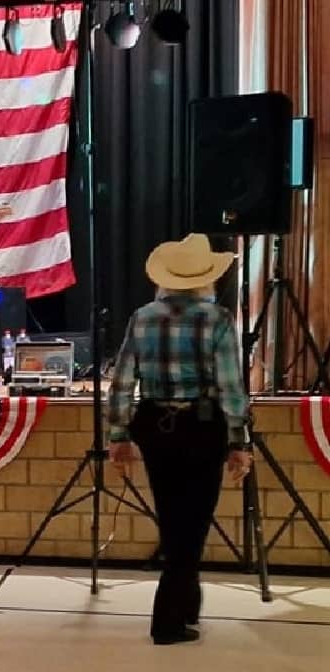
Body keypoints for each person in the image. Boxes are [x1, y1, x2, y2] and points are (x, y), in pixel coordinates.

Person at [107, 234, 254, 646]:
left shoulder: (143, 317)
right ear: (206, 278)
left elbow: (120, 384)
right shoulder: (219, 320)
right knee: (192, 523)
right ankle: (168, 620)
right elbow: (230, 388)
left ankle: (187, 604)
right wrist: (239, 441)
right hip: (202, 427)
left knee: (174, 518)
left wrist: (118, 434)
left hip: (154, 425)